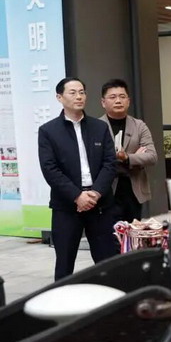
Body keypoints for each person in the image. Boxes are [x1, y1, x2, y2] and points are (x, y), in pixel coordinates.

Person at [38, 78, 119, 279]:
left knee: (107, 262)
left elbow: (110, 163)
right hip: (67, 206)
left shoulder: (100, 127)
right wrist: (77, 196)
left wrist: (95, 193)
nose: (79, 96)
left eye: (82, 92)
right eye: (73, 92)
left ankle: (109, 297)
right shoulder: (48, 131)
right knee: (64, 264)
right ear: (59, 97)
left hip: (99, 204)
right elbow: (50, 169)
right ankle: (62, 298)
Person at [98, 79, 158, 223]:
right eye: (113, 97)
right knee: (109, 233)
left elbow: (152, 156)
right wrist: (135, 158)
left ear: (128, 101)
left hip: (133, 190)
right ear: (103, 102)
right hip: (106, 191)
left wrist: (128, 158)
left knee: (133, 231)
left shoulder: (139, 126)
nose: (118, 101)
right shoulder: (96, 126)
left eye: (122, 96)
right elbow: (95, 159)